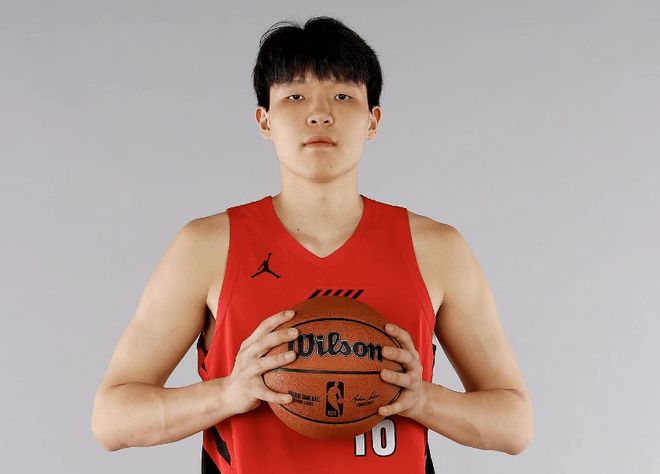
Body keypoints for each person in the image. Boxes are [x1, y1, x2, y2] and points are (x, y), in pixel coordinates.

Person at [91, 15, 534, 473]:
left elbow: (514, 424)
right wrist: (228, 393)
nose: (320, 113)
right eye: (295, 96)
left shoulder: (437, 249)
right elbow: (112, 420)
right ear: (264, 120)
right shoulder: (206, 247)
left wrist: (424, 400)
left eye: (343, 96)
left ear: (373, 120)